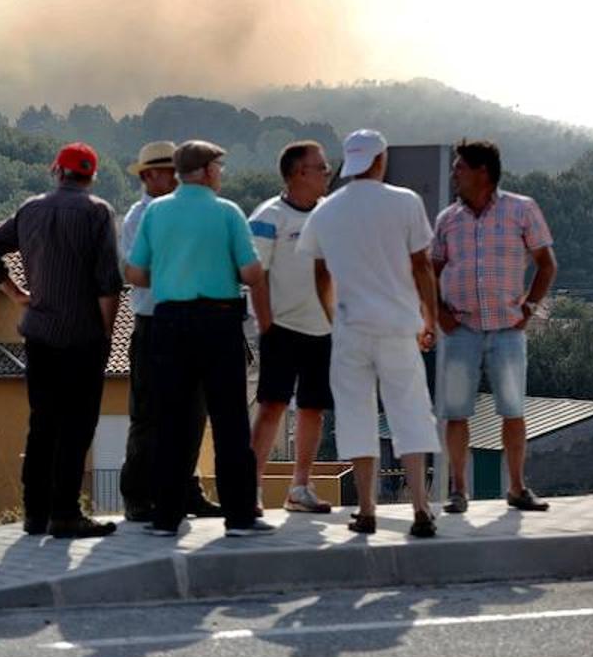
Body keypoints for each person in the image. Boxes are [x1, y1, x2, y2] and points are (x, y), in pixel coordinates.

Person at [296, 129, 440, 538]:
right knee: (409, 413)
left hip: (350, 328)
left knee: (356, 416)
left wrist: (331, 315)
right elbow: (421, 265)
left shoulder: (326, 211)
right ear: (381, 160)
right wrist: (429, 316)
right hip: (397, 326)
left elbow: (320, 272)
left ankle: (366, 510)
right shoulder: (405, 202)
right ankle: (421, 509)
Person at [0, 142, 123, 539]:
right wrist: (106, 335)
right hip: (83, 338)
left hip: (40, 336)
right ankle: (66, 513)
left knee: (42, 424)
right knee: (77, 427)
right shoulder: (98, 213)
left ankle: (35, 515)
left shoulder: (30, 210)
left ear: (56, 171)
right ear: (91, 175)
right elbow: (109, 284)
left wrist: (15, 292)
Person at [124, 140, 268, 537]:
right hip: (218, 319)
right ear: (206, 171)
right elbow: (252, 272)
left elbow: (134, 273)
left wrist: (172, 274)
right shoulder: (227, 212)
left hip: (167, 322)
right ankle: (239, 517)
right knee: (229, 422)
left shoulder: (154, 212)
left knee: (169, 420)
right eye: (219, 167)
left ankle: (165, 517)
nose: (221, 173)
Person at [433, 139, 557, 514]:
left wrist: (530, 306)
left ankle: (517, 488)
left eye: (460, 167)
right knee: (456, 411)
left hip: (507, 330)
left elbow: (546, 263)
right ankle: (458, 490)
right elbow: (430, 271)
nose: (454, 174)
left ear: (482, 172)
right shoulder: (447, 220)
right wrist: (439, 313)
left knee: (513, 409)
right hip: (461, 330)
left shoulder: (522, 210)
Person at [118, 141, 223, 522]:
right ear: (148, 176)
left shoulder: (178, 213)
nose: (176, 178)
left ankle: (185, 490)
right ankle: (137, 496)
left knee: (193, 414)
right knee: (149, 415)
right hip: (154, 323)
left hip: (188, 320)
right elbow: (135, 272)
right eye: (168, 171)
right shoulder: (137, 218)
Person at [248, 141, 335, 515]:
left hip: (323, 330)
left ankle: (300, 487)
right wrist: (266, 324)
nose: (328, 174)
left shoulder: (331, 214)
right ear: (300, 173)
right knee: (272, 406)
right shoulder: (268, 216)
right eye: (322, 168)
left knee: (314, 408)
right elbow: (256, 275)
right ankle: (248, 489)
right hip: (281, 329)